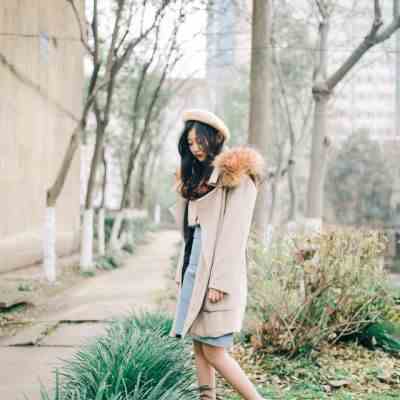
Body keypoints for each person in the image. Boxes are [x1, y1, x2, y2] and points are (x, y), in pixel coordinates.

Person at [168, 108, 267, 400]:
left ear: (214, 139)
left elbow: (234, 235)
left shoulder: (238, 178)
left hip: (217, 274)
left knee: (214, 350)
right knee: (199, 345)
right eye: (189, 143)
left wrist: (220, 282)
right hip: (194, 269)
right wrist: (182, 273)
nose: (195, 148)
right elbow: (190, 233)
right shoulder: (196, 180)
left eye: (199, 141)